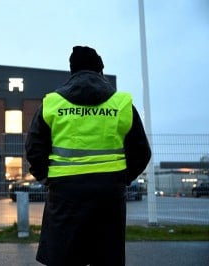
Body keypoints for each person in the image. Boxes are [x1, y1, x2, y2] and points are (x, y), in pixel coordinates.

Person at [25, 45, 151, 266]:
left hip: (65, 193)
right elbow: (141, 151)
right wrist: (121, 178)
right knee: (106, 257)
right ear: (100, 71)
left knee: (64, 257)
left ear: (72, 71)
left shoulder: (52, 103)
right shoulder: (121, 104)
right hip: (108, 195)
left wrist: (47, 178)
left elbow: (34, 149)